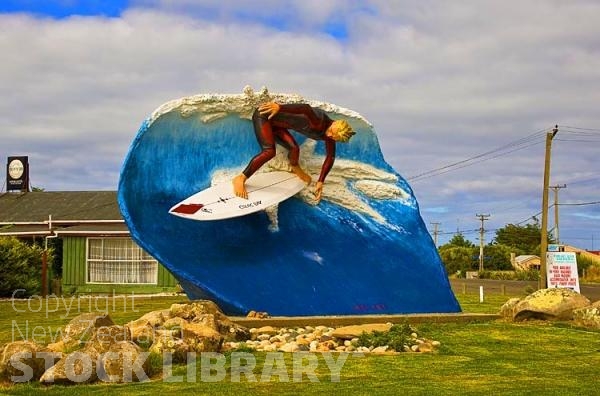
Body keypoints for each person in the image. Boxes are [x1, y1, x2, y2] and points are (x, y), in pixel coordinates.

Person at [232, 102, 355, 203]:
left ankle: (295, 168)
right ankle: (240, 178)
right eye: (332, 132)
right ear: (335, 123)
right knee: (269, 151)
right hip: (264, 116)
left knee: (294, 149)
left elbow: (331, 156)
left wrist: (320, 181)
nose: (329, 135)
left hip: (277, 125)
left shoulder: (330, 135)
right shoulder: (319, 121)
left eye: (334, 137)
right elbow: (305, 108)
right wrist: (279, 107)